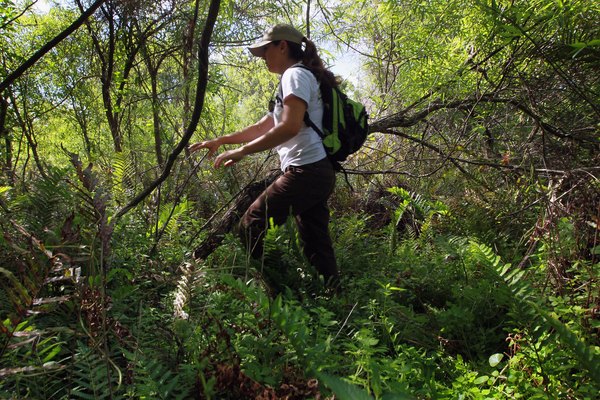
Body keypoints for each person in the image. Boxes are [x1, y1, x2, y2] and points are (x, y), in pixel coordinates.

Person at [189, 24, 340, 292]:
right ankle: (333, 298)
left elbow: (289, 127)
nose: (262, 57)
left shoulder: (294, 75)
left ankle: (266, 292)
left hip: (307, 170)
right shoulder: (298, 78)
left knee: (251, 223)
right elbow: (265, 126)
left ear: (282, 46)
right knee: (316, 242)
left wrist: (243, 151)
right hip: (318, 171)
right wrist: (221, 141)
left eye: (265, 50)